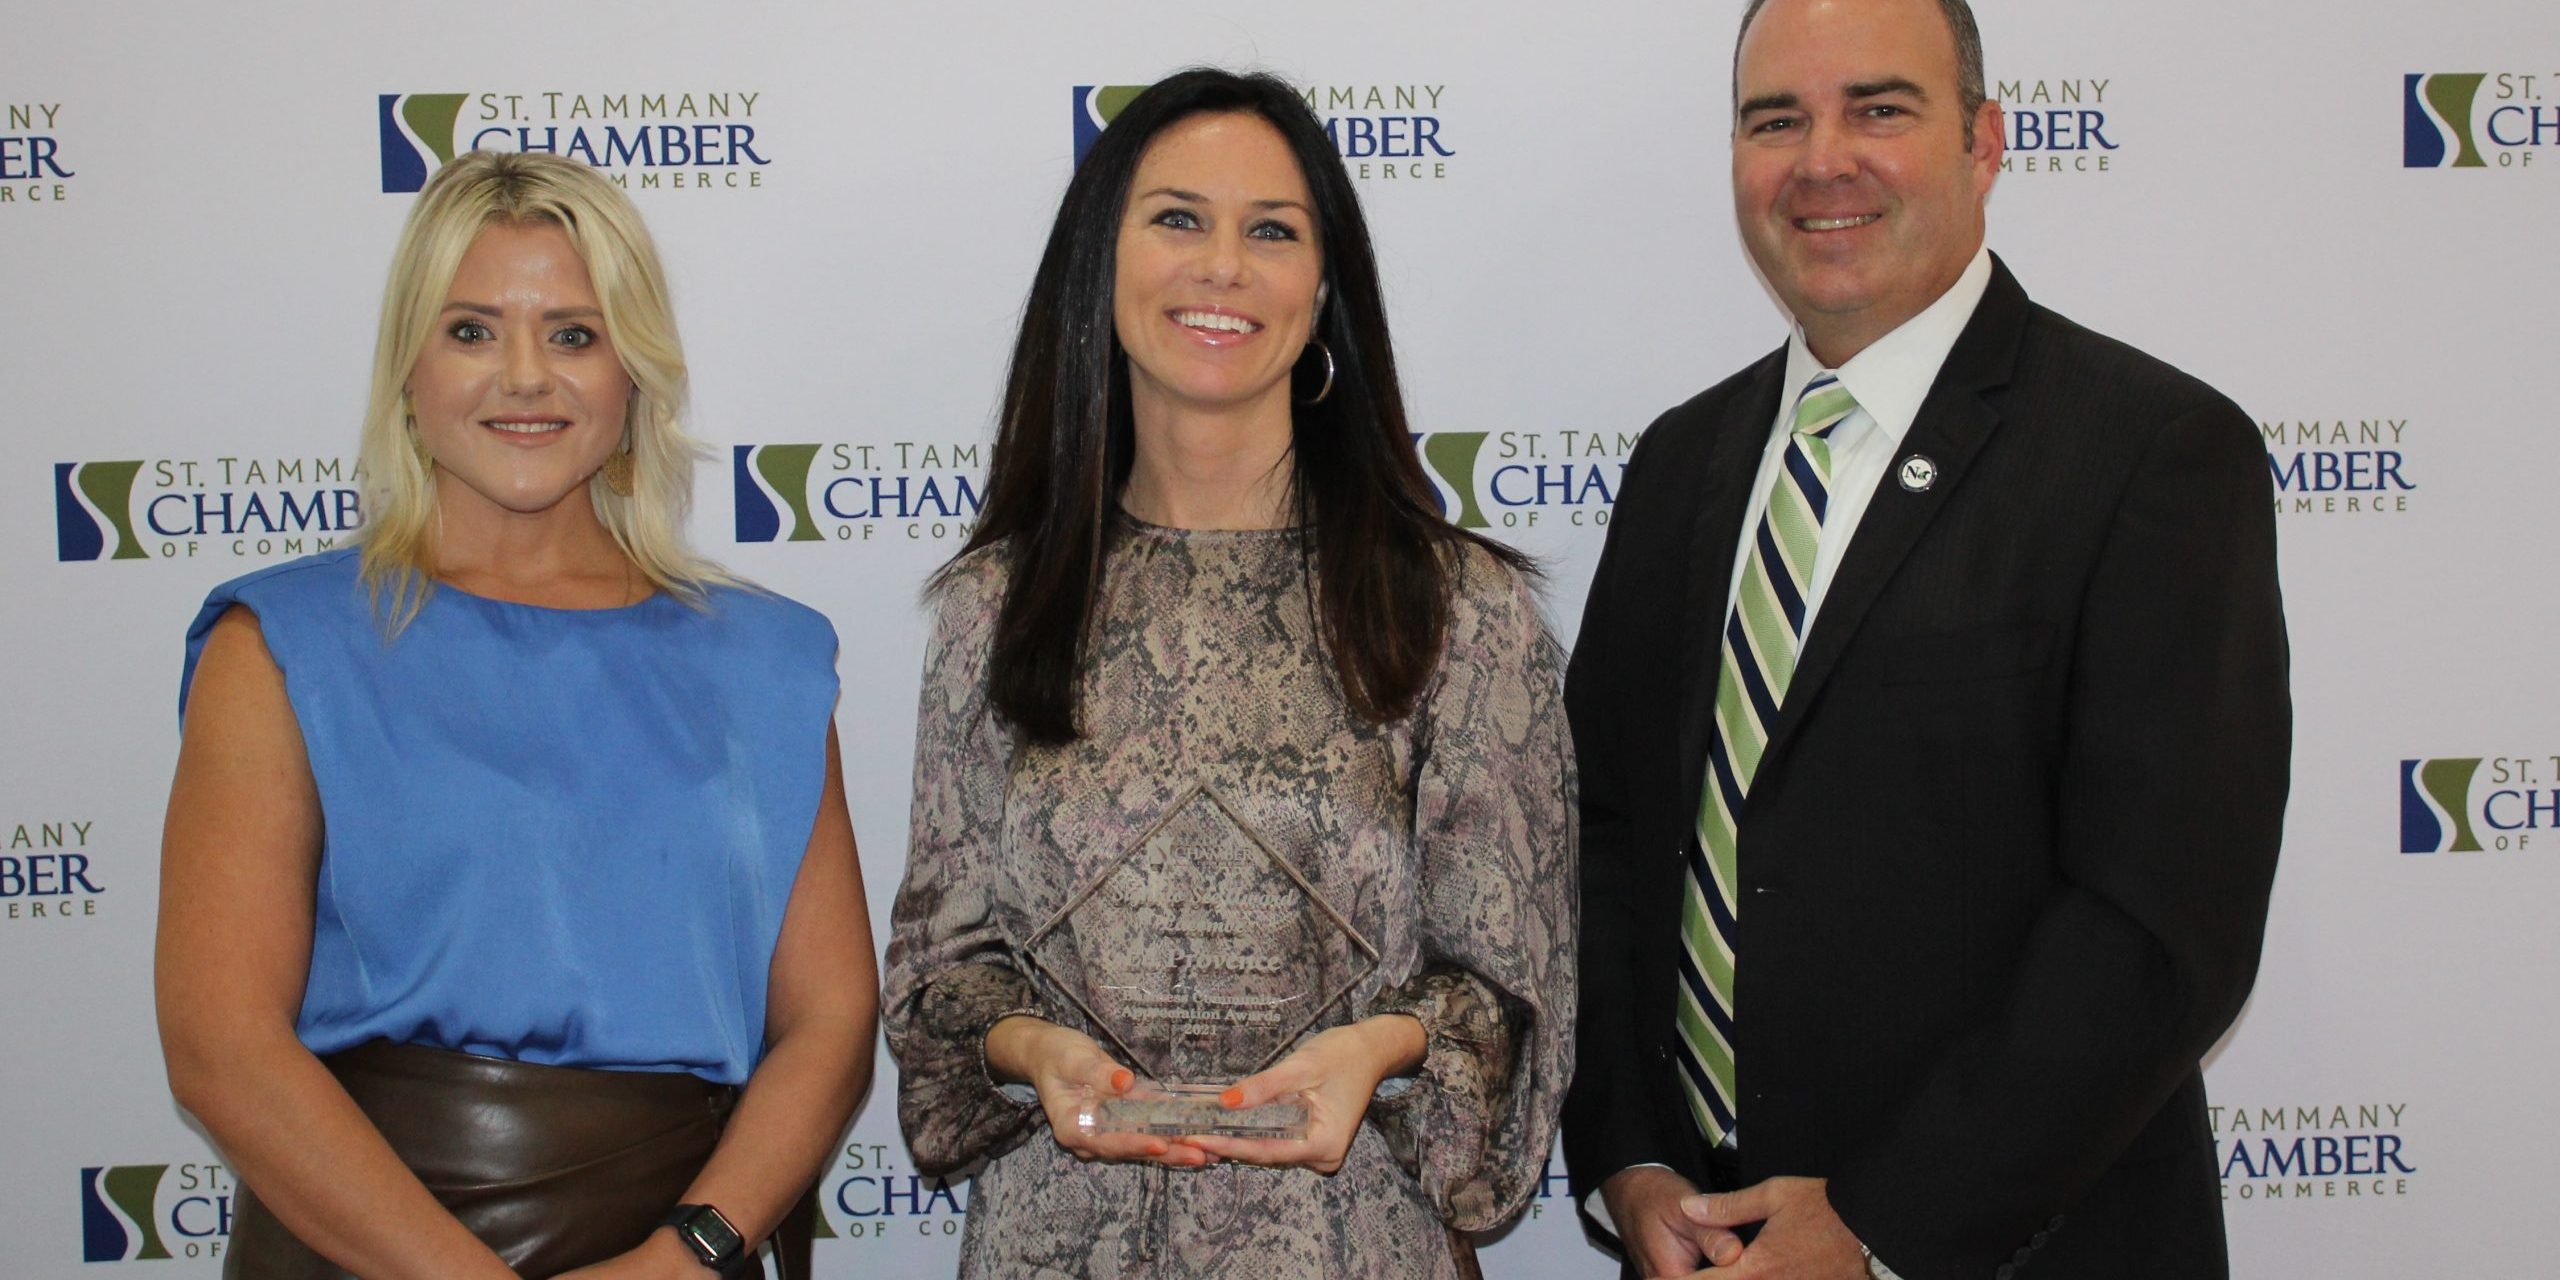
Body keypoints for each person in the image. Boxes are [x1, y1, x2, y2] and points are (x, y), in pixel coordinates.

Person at [1560, 0, 2290, 1276]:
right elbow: (1606, 839)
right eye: (1773, 119)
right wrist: (1629, 1157)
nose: (1820, 158)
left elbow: (2158, 924)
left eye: (1879, 109)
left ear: (1985, 140)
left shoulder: (2152, 453)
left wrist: (1875, 1227)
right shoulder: (1683, 462)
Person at [881, 68, 1576, 1279]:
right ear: (1101, 261)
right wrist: (1030, 1047)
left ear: (1324, 286)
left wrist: (1387, 1048)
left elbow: (1514, 985)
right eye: (1177, 218)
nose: (1222, 266)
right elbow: (940, 977)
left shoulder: (1456, 607)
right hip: (1058, 1244)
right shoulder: (997, 609)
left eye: (1271, 230)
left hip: (1351, 1242)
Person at [158, 150, 876, 1280]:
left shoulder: (769, 659)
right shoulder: (284, 646)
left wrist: (688, 1254)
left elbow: (831, 1021)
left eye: (575, 334)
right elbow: (221, 1048)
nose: (526, 376)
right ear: (408, 366)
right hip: (361, 1247)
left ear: (636, 371)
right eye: (473, 330)